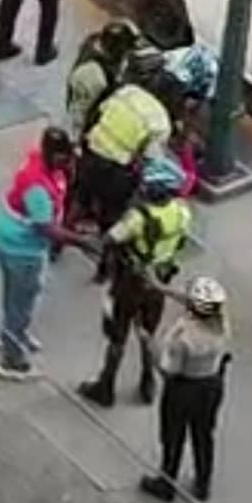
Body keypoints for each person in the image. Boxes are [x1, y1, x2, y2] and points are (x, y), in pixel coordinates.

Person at [78, 154, 193, 407]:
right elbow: (182, 242)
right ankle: (147, 381)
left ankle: (105, 386)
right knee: (147, 332)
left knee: (117, 335)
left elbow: (110, 239)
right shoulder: (182, 213)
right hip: (159, 282)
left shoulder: (137, 218)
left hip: (130, 281)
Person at [0, 127, 96, 380]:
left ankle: (11, 333)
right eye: (65, 158)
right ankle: (12, 360)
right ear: (53, 155)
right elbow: (46, 228)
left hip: (11, 239)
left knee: (17, 294)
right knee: (22, 300)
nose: (68, 162)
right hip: (22, 248)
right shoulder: (36, 187)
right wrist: (81, 241)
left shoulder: (39, 159)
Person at [139, 275, 231, 503]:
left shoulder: (186, 338)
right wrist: (161, 288)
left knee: (173, 435)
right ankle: (203, 482)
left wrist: (150, 347)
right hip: (211, 384)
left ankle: (166, 483)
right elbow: (189, 300)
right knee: (203, 434)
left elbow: (169, 371)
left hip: (183, 388)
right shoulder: (220, 323)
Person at [75, 48, 175, 240]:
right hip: (115, 170)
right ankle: (105, 238)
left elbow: (100, 112)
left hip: (91, 151)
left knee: (81, 195)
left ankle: (64, 235)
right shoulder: (161, 121)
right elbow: (150, 158)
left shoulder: (127, 92)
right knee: (114, 208)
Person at [65, 21, 141, 141]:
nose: (127, 53)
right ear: (116, 50)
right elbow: (78, 111)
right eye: (125, 49)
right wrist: (77, 137)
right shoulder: (93, 76)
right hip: (90, 112)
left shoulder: (96, 41)